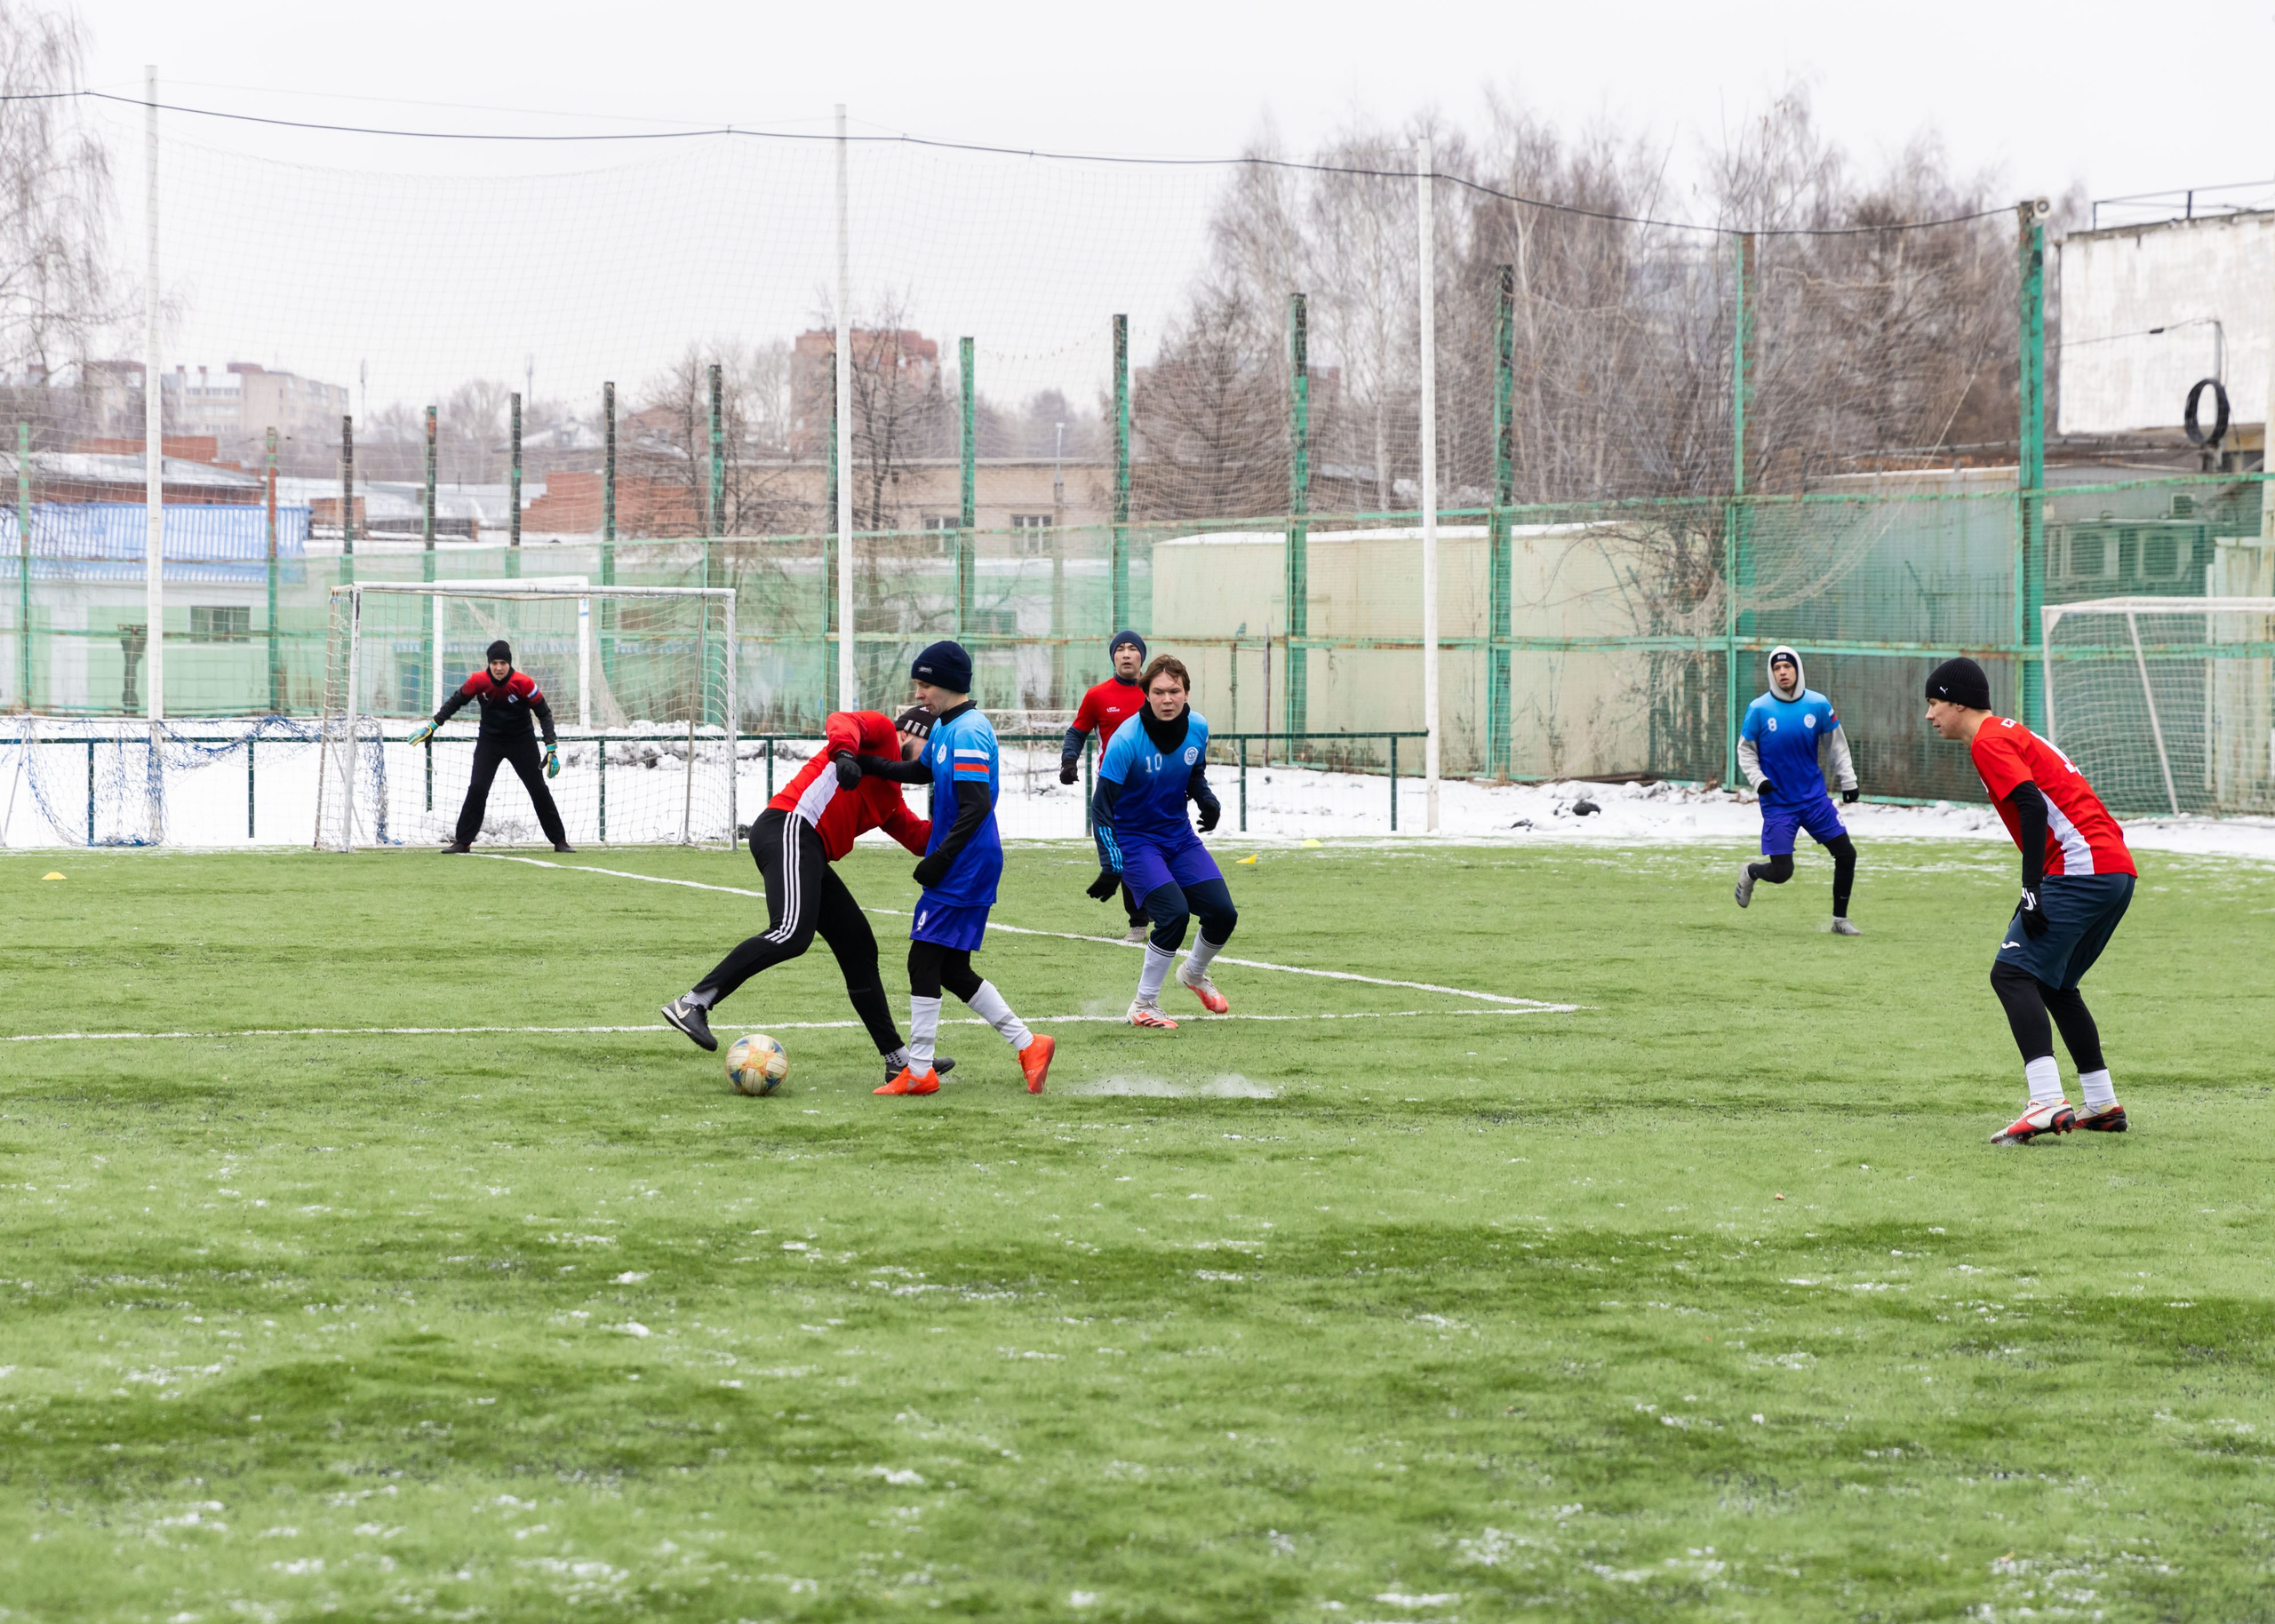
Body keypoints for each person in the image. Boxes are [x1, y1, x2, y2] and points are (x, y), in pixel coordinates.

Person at [659, 706, 958, 1089]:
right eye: (929, 748)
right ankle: (694, 1002)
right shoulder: (882, 730)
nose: (931, 761)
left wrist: (966, 816)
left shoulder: (891, 797)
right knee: (790, 933)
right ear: (908, 733)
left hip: (809, 848)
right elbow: (840, 721)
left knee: (859, 945)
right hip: (790, 826)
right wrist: (846, 754)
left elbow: (920, 839)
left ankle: (897, 1060)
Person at [1925, 656, 2136, 1144]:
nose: (1930, 715)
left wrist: (2032, 886)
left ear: (1959, 702)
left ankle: (2046, 1101)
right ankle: (2102, 1103)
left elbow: (2031, 804)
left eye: (1935, 703)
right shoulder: (2009, 731)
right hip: (2113, 869)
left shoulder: (1990, 741)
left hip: (2081, 868)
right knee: (2056, 986)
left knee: (2011, 973)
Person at [854, 641, 1055, 1097]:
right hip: (964, 862)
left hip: (964, 865)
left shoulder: (968, 732)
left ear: (947, 683)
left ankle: (920, 1068)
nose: (919, 693)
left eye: (925, 684)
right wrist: (864, 763)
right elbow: (918, 772)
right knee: (950, 969)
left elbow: (975, 806)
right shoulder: (948, 727)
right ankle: (1030, 1045)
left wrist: (938, 859)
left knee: (922, 958)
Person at [1090, 654, 1234, 1030]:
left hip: (1179, 836)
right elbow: (1101, 807)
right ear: (1146, 695)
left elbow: (1193, 773)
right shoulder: (1125, 740)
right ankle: (1143, 1005)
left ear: (1186, 693)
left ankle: (1194, 974)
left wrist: (1207, 799)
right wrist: (1111, 864)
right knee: (1173, 915)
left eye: (1175, 691)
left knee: (1223, 914)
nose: (1167, 699)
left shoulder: (1198, 727)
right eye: (1158, 692)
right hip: (1135, 841)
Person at [1733, 644, 1861, 933]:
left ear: (1797, 669)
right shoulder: (1759, 709)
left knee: (1846, 854)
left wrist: (1848, 780)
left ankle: (1840, 920)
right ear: (1771, 673)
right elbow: (1746, 751)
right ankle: (1751, 872)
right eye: (1777, 668)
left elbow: (1836, 746)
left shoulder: (1817, 704)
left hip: (1814, 800)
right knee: (1781, 873)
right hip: (1778, 802)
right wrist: (1758, 780)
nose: (1782, 672)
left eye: (1787, 667)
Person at [408, 639, 571, 854]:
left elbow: (544, 713)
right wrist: (433, 725)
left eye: (503, 663)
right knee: (477, 788)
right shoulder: (478, 681)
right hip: (490, 742)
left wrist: (551, 746)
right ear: (489, 664)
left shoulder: (524, 683)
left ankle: (560, 841)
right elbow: (455, 701)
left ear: (509, 664)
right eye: (494, 663)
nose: (499, 667)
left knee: (538, 789)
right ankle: (462, 842)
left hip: (522, 742)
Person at [1060, 629, 1153, 943]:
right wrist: (1069, 760)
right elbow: (1076, 732)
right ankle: (1139, 923)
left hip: (1156, 786)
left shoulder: (1159, 692)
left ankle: (1171, 910)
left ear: (1142, 656)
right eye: (1120, 649)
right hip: (1115, 789)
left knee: (1164, 849)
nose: (1126, 654)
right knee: (1126, 852)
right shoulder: (1097, 695)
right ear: (1113, 657)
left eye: (1133, 649)